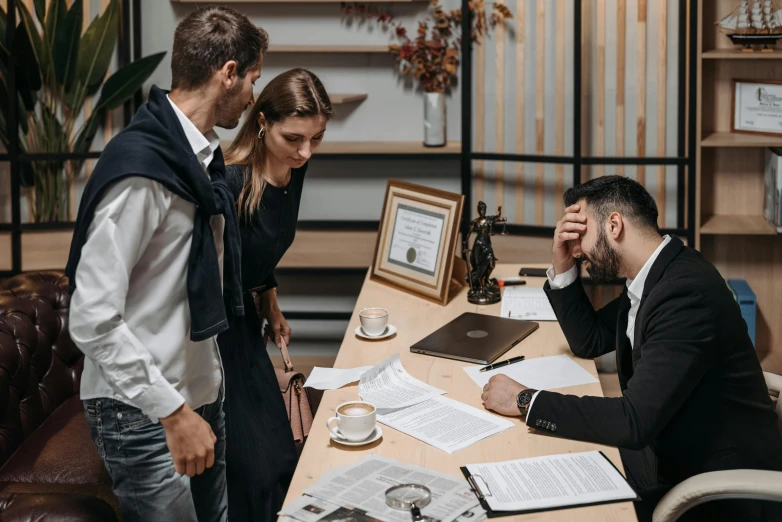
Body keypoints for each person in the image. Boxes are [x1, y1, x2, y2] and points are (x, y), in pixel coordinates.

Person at [64, 7, 268, 521]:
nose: (252, 97)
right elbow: (91, 318)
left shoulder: (197, 159)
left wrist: (203, 397)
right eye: (252, 80)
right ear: (227, 73)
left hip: (197, 393)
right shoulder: (142, 170)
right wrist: (173, 412)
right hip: (144, 412)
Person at [480, 175, 782, 521]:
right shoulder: (656, 274)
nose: (577, 250)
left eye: (581, 234)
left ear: (614, 224)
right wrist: (563, 266)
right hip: (668, 447)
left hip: (718, 491)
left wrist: (525, 400)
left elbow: (634, 421)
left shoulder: (685, 295)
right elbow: (590, 340)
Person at [220, 68, 333, 521]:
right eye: (295, 138)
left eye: (318, 138)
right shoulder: (231, 183)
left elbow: (258, 255)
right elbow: (213, 272)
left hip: (247, 321)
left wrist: (271, 302)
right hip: (216, 333)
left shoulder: (292, 170)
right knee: (257, 467)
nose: (306, 152)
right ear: (262, 121)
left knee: (282, 457)